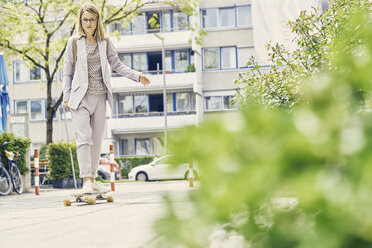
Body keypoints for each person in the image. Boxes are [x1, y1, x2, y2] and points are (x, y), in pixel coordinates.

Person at [63, 3, 150, 193]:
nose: (88, 23)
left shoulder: (106, 42)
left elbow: (117, 65)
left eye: (91, 20)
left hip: (100, 98)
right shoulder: (74, 43)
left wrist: (137, 76)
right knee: (84, 139)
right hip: (80, 99)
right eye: (84, 19)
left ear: (97, 21)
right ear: (80, 21)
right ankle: (86, 179)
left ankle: (93, 179)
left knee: (96, 140)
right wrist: (66, 97)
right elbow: (67, 72)